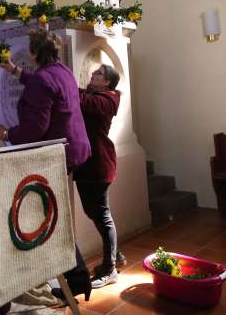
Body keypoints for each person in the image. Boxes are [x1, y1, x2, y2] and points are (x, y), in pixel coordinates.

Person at [0, 28, 92, 303]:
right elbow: (42, 82)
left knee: (51, 218)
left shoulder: (43, 79)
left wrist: (6, 133)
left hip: (56, 155)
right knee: (55, 215)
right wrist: (14, 70)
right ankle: (78, 276)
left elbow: (35, 128)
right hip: (74, 149)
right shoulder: (63, 71)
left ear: (33, 53)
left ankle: (77, 276)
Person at [73, 64, 125, 289]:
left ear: (107, 82)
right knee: (91, 211)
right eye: (94, 73)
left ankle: (110, 268)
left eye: (98, 74)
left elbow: (82, 102)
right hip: (85, 165)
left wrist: (64, 83)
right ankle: (116, 254)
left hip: (100, 163)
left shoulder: (107, 100)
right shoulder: (91, 94)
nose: (93, 75)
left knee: (102, 215)